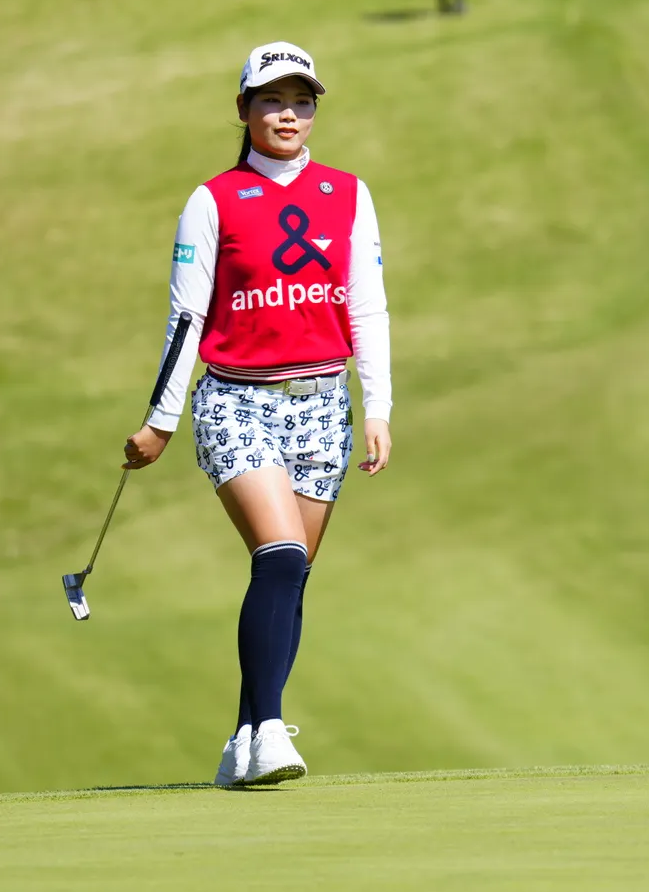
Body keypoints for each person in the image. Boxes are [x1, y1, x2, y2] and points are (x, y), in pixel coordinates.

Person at [121, 41, 392, 786]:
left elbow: (367, 306)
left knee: (290, 575)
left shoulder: (349, 193)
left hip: (324, 403)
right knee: (280, 556)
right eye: (272, 100)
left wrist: (378, 405)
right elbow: (186, 318)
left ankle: (243, 741)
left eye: (301, 101)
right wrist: (161, 421)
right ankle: (270, 731)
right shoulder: (212, 201)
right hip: (237, 399)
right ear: (243, 109)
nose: (288, 114)